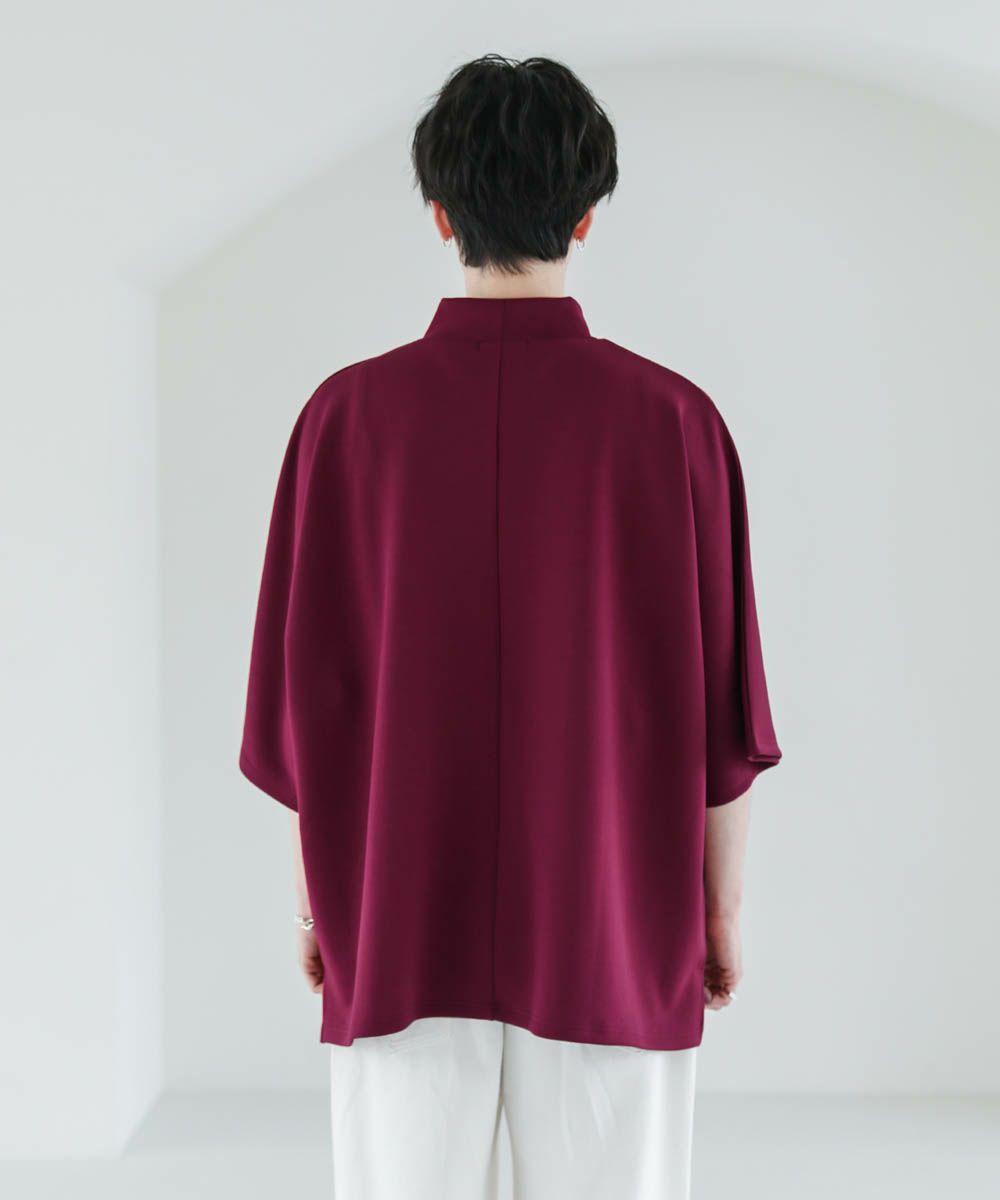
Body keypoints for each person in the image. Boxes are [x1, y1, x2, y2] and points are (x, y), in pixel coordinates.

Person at [239, 53, 782, 1200]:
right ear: (585, 217)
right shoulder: (674, 424)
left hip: (396, 917)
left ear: (440, 215)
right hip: (614, 927)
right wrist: (718, 911)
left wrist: (316, 904)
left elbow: (304, 704)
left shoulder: (343, 421)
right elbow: (723, 719)